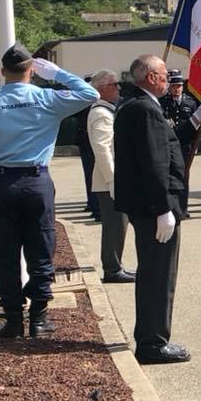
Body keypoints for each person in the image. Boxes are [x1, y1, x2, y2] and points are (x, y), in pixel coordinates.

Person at [0, 44, 98, 338]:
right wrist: (57, 73)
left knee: (6, 252)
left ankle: (13, 320)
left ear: (2, 71)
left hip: (0, 182)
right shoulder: (45, 98)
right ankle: (38, 319)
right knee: (40, 248)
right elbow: (91, 94)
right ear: (32, 70)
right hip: (36, 181)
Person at [114, 54, 201, 362]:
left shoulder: (140, 106)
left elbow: (167, 142)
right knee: (158, 275)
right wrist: (163, 209)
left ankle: (151, 337)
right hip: (153, 206)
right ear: (150, 78)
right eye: (162, 74)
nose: (167, 79)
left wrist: (196, 119)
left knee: (154, 273)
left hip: (149, 204)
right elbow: (154, 163)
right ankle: (152, 343)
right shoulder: (144, 109)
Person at [86, 69, 136, 284]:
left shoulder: (108, 110)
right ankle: (112, 269)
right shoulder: (100, 113)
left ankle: (115, 266)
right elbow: (103, 149)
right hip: (110, 181)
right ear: (102, 88)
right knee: (115, 225)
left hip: (113, 179)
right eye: (114, 84)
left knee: (118, 225)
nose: (118, 87)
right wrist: (113, 180)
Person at [159, 75, 199, 216]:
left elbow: (196, 126)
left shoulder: (190, 102)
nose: (177, 89)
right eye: (174, 86)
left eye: (179, 86)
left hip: (185, 145)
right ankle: (172, 206)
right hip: (169, 144)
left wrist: (196, 145)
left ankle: (183, 207)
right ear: (169, 87)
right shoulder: (162, 102)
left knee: (184, 176)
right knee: (170, 176)